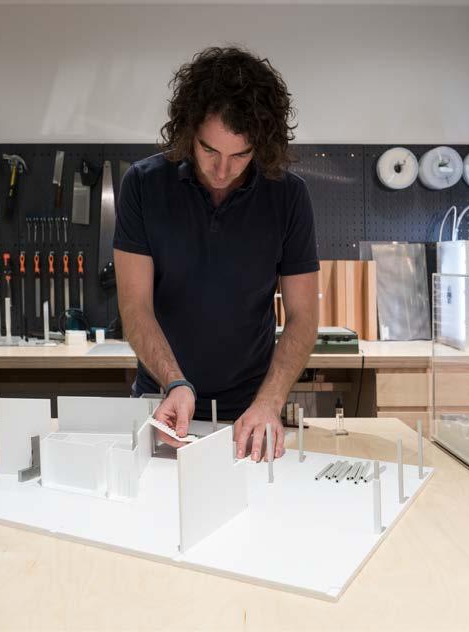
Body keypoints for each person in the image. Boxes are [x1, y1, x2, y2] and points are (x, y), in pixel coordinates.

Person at [114, 46, 319, 461]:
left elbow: (303, 316)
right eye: (209, 150)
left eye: (240, 155)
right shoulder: (143, 185)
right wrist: (175, 382)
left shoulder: (288, 196)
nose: (222, 170)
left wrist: (269, 402)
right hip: (163, 401)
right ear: (188, 131)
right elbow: (135, 307)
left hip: (249, 411)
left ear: (260, 146)